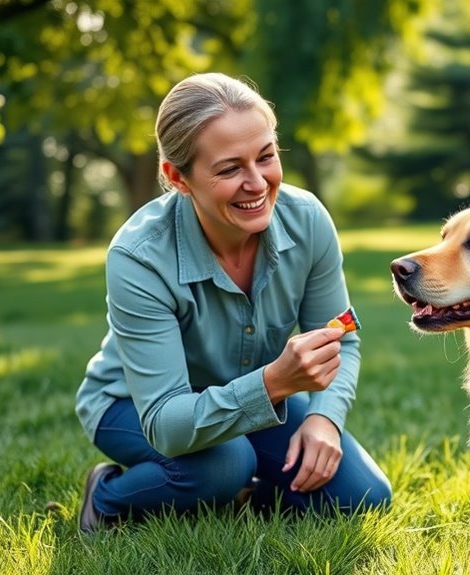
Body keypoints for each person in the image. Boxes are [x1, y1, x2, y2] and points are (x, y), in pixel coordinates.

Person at [74, 72, 391, 533]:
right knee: (225, 464)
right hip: (135, 405)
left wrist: (324, 418)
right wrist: (274, 383)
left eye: (266, 157)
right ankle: (107, 497)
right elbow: (166, 423)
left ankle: (245, 490)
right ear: (177, 177)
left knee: (363, 497)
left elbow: (339, 339)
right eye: (229, 169)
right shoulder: (138, 257)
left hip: (255, 393)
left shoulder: (309, 222)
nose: (257, 183)